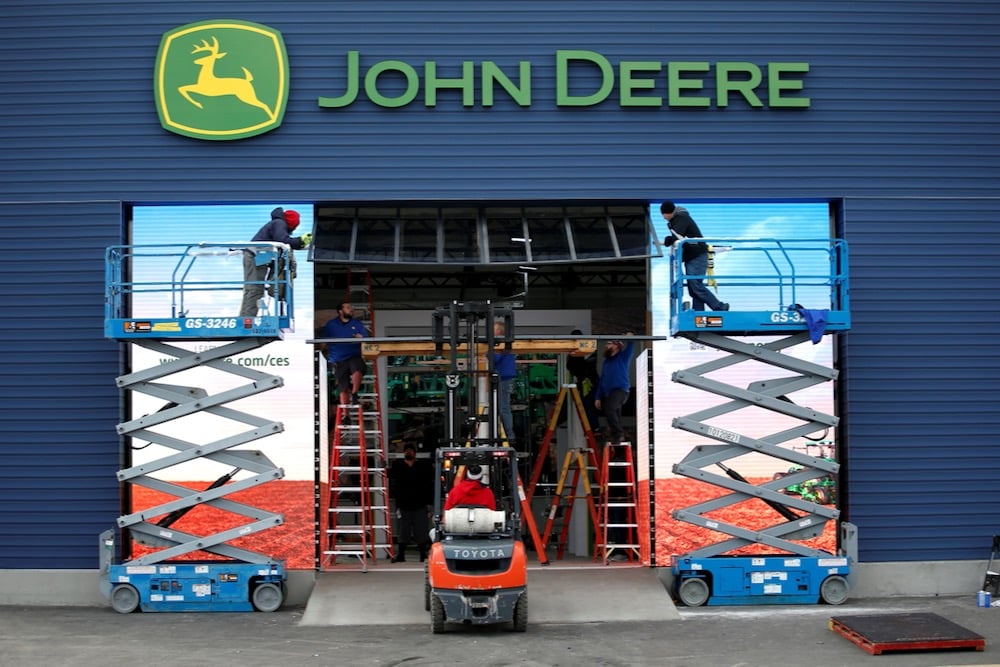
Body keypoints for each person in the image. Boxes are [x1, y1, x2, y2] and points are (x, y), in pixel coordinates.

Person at [239, 207, 311, 317]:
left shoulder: (277, 223)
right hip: (255, 257)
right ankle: (246, 320)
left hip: (258, 257)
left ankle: (246, 318)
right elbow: (283, 241)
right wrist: (300, 241)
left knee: (255, 289)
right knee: (254, 289)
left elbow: (283, 241)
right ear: (291, 224)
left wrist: (299, 243)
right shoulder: (279, 223)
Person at [660, 201, 729, 312]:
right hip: (693, 257)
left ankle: (719, 306)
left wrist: (670, 240)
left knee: (695, 285)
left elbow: (678, 235)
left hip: (697, 256)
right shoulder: (677, 219)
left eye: (664, 214)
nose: (663, 217)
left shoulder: (681, 218)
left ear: (668, 213)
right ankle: (698, 312)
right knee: (694, 287)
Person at [389, 443, 434, 562]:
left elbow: (428, 485)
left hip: (420, 503)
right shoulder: (398, 466)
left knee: (421, 530)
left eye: (410, 451)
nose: (408, 452)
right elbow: (391, 476)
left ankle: (422, 554)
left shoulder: (422, 467)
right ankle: (401, 555)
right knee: (403, 530)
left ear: (414, 453)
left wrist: (429, 504)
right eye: (406, 451)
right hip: (404, 504)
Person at [320, 302, 370, 406]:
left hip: (353, 354)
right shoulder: (331, 324)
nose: (351, 310)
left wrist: (361, 338)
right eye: (348, 308)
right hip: (338, 358)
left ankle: (355, 393)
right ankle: (345, 415)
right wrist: (321, 352)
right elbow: (323, 341)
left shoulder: (357, 324)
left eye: (351, 308)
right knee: (343, 387)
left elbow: (366, 338)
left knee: (357, 367)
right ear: (340, 311)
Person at [594, 336, 636, 445]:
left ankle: (619, 433)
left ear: (617, 346)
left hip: (620, 390)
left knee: (609, 409)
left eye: (609, 344)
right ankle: (617, 437)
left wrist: (630, 337)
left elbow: (631, 348)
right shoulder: (606, 362)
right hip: (609, 393)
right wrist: (598, 397)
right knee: (614, 414)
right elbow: (602, 379)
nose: (606, 346)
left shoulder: (623, 357)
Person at [566, 329, 602, 434]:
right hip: (587, 382)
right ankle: (593, 428)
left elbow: (573, 367)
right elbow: (572, 367)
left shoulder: (586, 350)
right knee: (587, 406)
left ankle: (594, 428)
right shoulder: (577, 354)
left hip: (590, 383)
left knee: (588, 405)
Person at [493, 321, 517, 446]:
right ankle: (506, 433)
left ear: (499, 331)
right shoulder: (504, 342)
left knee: (503, 407)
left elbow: (495, 358)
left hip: (503, 377)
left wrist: (486, 353)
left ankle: (508, 434)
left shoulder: (500, 343)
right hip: (503, 376)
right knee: (502, 406)